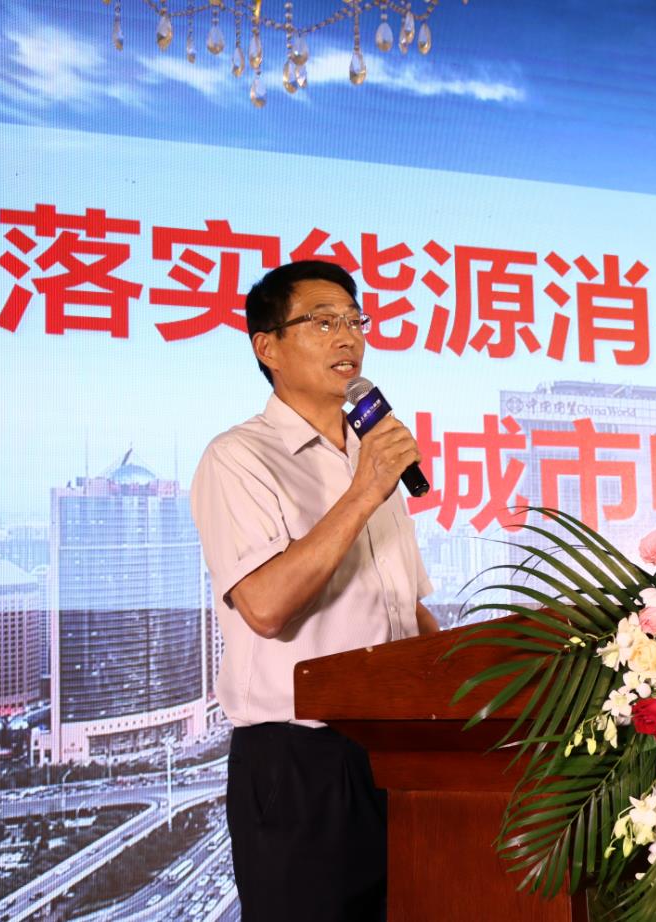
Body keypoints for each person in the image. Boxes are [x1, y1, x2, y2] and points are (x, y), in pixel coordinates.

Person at [190, 259, 439, 921]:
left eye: (355, 321)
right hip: (300, 762)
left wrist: (460, 685)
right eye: (323, 322)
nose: (348, 337)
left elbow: (405, 610)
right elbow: (265, 606)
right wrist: (364, 492)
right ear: (267, 347)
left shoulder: (371, 457)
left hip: (397, 751)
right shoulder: (239, 457)